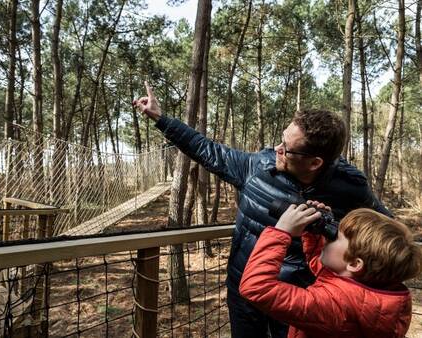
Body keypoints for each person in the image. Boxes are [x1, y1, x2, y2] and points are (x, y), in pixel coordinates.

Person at [133, 81, 391, 338]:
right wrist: (160, 117)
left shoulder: (350, 189)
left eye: (286, 148)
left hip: (296, 300)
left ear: (314, 163)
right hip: (244, 290)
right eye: (281, 140)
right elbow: (207, 150)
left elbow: (387, 234)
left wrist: (337, 238)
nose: (277, 149)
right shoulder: (258, 166)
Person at [239, 203, 421, 338]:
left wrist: (280, 232)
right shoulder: (371, 293)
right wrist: (314, 231)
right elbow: (329, 276)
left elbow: (257, 287)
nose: (329, 237)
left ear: (355, 264)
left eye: (336, 237)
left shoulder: (335, 306)